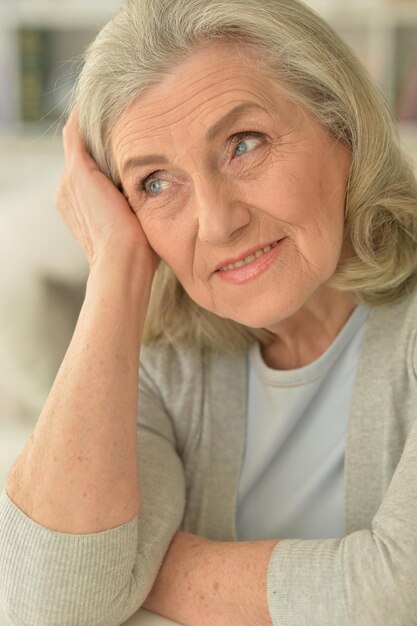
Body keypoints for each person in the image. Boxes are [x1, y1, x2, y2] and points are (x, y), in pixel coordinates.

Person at [1, 0, 417, 624]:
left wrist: (151, 573)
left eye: (242, 144)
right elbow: (48, 602)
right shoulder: (167, 367)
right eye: (156, 184)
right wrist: (116, 267)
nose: (219, 224)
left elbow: (397, 594)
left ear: (345, 131)